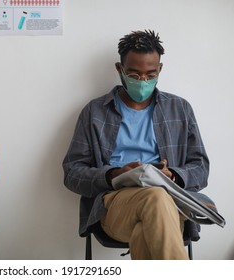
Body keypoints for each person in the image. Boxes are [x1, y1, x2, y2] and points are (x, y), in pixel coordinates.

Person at [62, 30, 209, 260]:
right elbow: (72, 173)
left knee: (146, 228)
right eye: (134, 73)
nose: (142, 81)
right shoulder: (95, 112)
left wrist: (174, 176)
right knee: (155, 198)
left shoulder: (180, 109)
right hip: (115, 206)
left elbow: (201, 168)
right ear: (120, 70)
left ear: (160, 70)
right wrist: (113, 174)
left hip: (170, 206)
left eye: (150, 74)